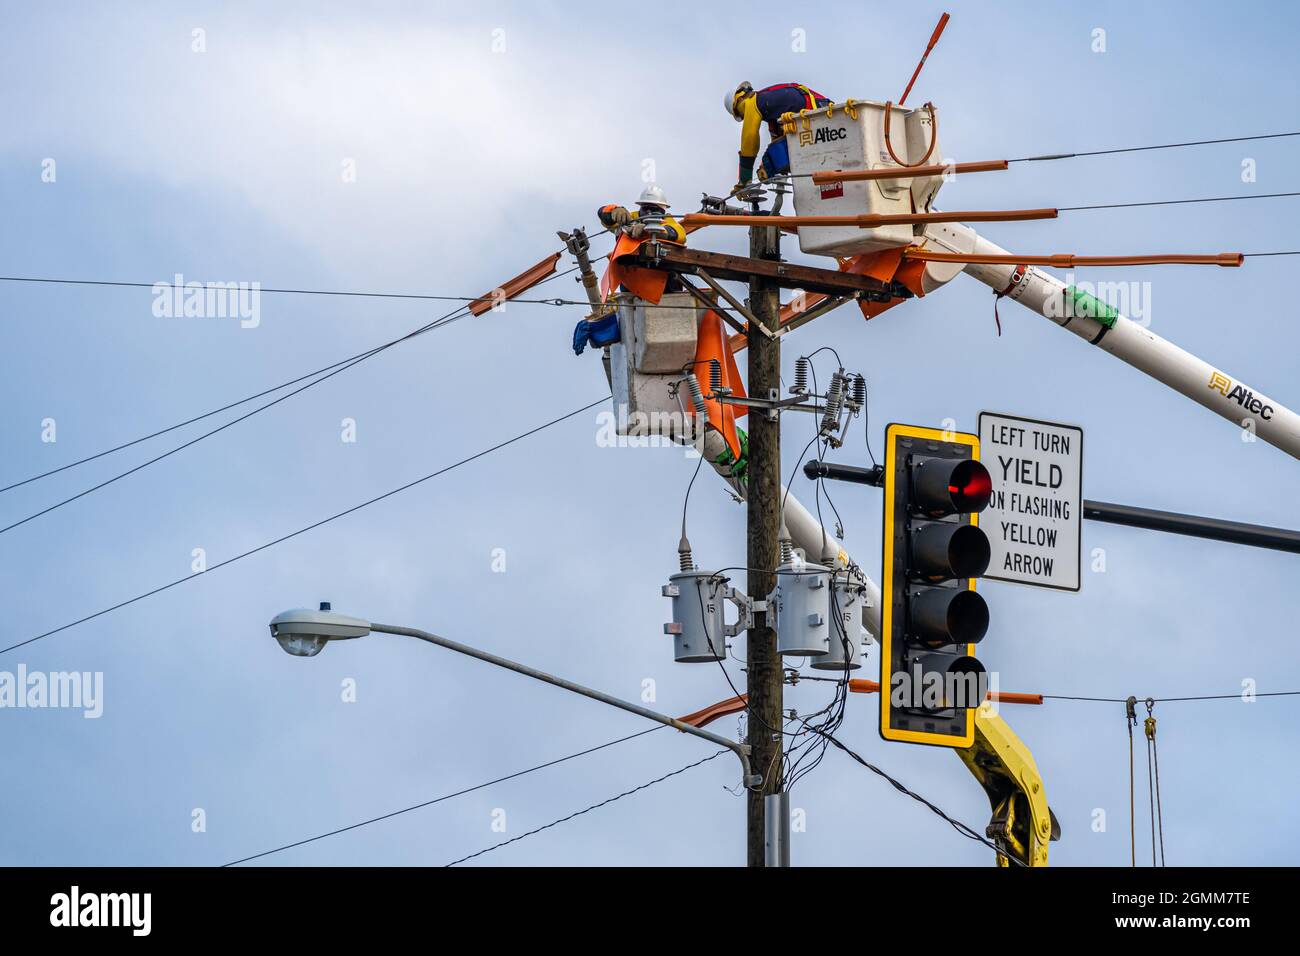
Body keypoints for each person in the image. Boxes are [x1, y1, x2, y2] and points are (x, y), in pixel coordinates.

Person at [724, 81, 832, 188]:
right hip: (827, 114)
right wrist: (764, 166)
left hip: (813, 117)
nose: (744, 117)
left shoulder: (753, 101)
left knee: (776, 155)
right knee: (776, 154)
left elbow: (749, 138)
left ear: (740, 99)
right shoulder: (771, 106)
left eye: (740, 114)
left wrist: (744, 179)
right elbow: (777, 142)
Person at [596, 184, 686, 244]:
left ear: (663, 211)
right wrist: (614, 210)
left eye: (654, 209)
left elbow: (678, 234)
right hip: (624, 264)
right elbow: (603, 215)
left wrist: (649, 231)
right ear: (640, 206)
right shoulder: (629, 218)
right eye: (646, 207)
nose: (649, 212)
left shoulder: (669, 222)